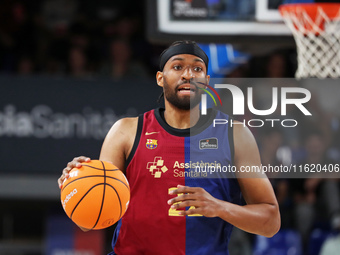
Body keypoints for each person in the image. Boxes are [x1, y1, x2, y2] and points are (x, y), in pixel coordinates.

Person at [58, 40, 280, 255]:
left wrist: (219, 207)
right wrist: (77, 187)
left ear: (207, 80)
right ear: (160, 78)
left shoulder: (235, 134)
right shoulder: (126, 131)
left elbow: (270, 222)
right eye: (177, 66)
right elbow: (91, 220)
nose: (188, 75)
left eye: (197, 69)